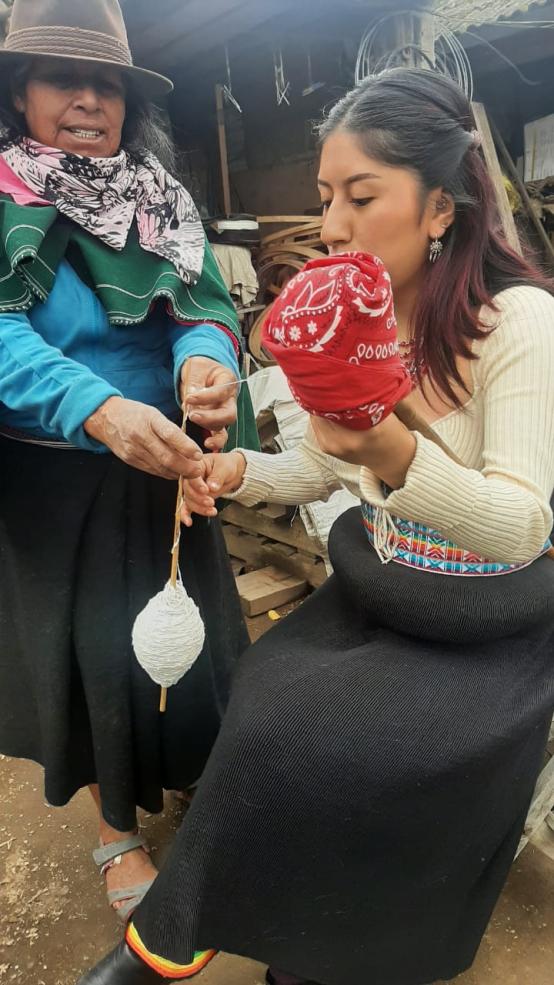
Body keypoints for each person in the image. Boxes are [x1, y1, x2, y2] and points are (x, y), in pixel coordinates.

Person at [79, 69, 554, 985]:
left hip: (487, 619)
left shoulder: (519, 323)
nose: (330, 225)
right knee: (264, 695)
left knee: (328, 742)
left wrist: (390, 451)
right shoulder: (359, 321)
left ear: (441, 209)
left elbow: (520, 527)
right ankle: (241, 927)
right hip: (386, 583)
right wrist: (235, 469)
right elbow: (321, 463)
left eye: (360, 196)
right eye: (325, 196)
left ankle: (299, 948)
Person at [0, 0, 257, 925]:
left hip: (166, 467)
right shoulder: (2, 195)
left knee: (195, 644)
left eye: (105, 82)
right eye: (61, 78)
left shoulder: (160, 197)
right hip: (57, 481)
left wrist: (208, 360)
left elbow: (204, 307)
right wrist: (94, 406)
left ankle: (193, 775)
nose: (86, 98)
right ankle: (117, 826)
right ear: (18, 91)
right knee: (102, 659)